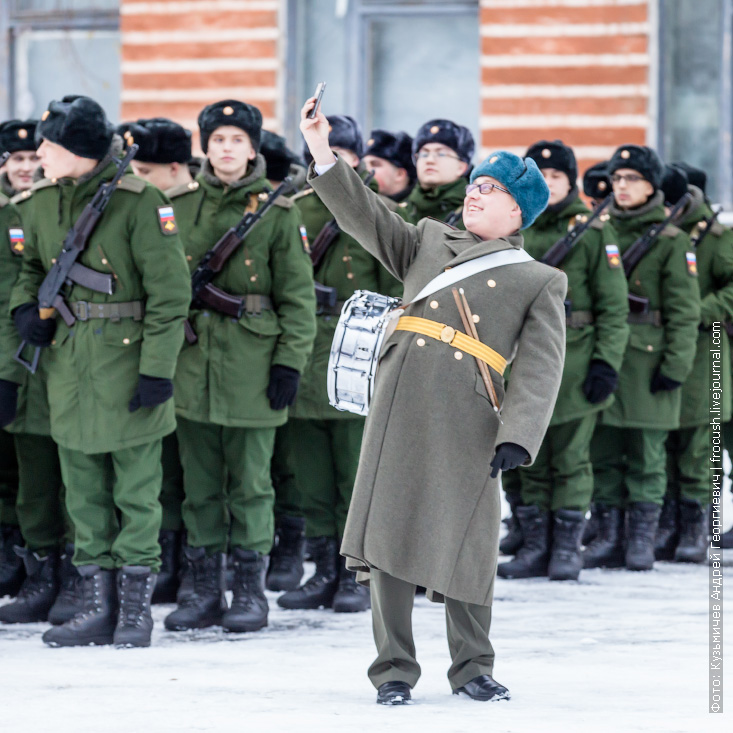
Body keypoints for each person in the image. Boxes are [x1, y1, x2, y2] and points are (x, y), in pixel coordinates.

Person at [301, 97, 567, 705]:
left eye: (491, 189)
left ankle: (473, 667)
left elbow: (541, 366)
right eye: (475, 185)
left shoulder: (538, 279)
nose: (475, 194)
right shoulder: (424, 241)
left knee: (471, 544)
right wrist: (321, 148)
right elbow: (361, 213)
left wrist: (519, 435)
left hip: (473, 419)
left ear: (517, 210)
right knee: (388, 540)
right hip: (399, 409)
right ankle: (393, 670)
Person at [9, 95, 191, 647]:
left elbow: (169, 294)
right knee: (82, 490)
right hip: (68, 364)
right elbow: (34, 269)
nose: (37, 153)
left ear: (81, 151)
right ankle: (95, 604)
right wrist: (25, 309)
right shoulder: (38, 202)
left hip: (129, 362)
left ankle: (135, 612)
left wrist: (157, 370)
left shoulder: (140, 201)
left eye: (50, 144)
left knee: (137, 493)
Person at [163, 100, 316, 635]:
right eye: (217, 138)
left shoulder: (278, 212)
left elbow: (298, 300)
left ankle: (249, 591)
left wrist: (288, 365)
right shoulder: (176, 207)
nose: (226, 148)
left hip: (253, 368)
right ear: (204, 146)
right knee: (199, 486)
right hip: (191, 365)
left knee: (251, 485)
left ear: (253, 148)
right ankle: (205, 587)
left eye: (236, 139)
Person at [276, 115, 401, 613]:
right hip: (308, 347)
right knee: (311, 473)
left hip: (361, 348)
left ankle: (359, 573)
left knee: (356, 471)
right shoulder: (294, 210)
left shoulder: (384, 211)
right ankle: (323, 568)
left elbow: (399, 287)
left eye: (344, 151)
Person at [497, 140, 629, 582]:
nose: (550, 185)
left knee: (570, 458)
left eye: (558, 177)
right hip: (517, 357)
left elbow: (613, 307)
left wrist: (605, 364)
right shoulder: (513, 225)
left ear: (571, 182)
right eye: (541, 177)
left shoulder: (593, 231)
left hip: (573, 359)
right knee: (528, 454)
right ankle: (535, 542)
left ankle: (567, 547)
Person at [585, 145, 701, 572]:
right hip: (606, 356)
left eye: (631, 179)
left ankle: (640, 540)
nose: (622, 187)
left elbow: (684, 313)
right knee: (604, 451)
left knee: (648, 457)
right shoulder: (598, 231)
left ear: (652, 185)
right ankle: (609, 534)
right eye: (617, 179)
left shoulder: (673, 241)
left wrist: (675, 367)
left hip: (649, 361)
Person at [0, 118, 78, 625]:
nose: (27, 166)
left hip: (71, 359)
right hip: (21, 365)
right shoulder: (12, 216)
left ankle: (76, 576)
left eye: (34, 157)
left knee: (78, 476)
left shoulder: (64, 209)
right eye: (16, 159)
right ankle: (40, 571)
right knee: (32, 480)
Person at [117, 117, 196, 603]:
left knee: (198, 473)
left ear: (173, 168)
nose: (136, 180)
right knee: (162, 471)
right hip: (150, 354)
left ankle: (196, 566)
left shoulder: (179, 208)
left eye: (144, 170)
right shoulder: (134, 205)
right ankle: (165, 561)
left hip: (198, 355)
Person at [658, 163, 733, 561]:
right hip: (665, 346)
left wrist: (696, 310)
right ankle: (668, 523)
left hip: (709, 348)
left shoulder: (719, 238)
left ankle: (698, 526)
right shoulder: (660, 235)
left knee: (701, 443)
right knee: (664, 441)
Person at [404, 119, 474, 227]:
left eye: (441, 154)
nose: (430, 160)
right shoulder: (401, 210)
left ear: (461, 167)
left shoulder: (473, 213)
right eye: (424, 154)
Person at [362, 130, 416, 202]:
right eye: (364, 164)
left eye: (375, 164)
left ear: (400, 174)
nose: (366, 170)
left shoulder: (418, 208)